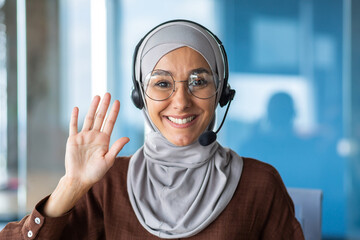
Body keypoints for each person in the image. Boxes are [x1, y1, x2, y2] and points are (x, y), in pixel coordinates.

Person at [0, 20, 304, 239]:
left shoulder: (259, 184)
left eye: (199, 81)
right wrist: (71, 186)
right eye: (162, 83)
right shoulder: (107, 184)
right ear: (140, 96)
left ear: (222, 92)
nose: (181, 101)